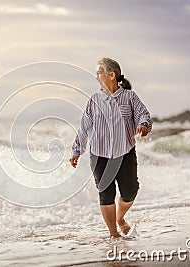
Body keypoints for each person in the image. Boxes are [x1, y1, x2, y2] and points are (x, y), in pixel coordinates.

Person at [69, 57, 152, 239]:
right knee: (105, 194)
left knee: (130, 192)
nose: (96, 76)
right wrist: (76, 150)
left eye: (99, 72)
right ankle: (114, 235)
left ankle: (120, 218)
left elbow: (143, 114)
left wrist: (143, 125)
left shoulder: (129, 97)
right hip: (99, 155)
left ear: (111, 75)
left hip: (125, 153)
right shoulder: (94, 100)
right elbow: (84, 126)